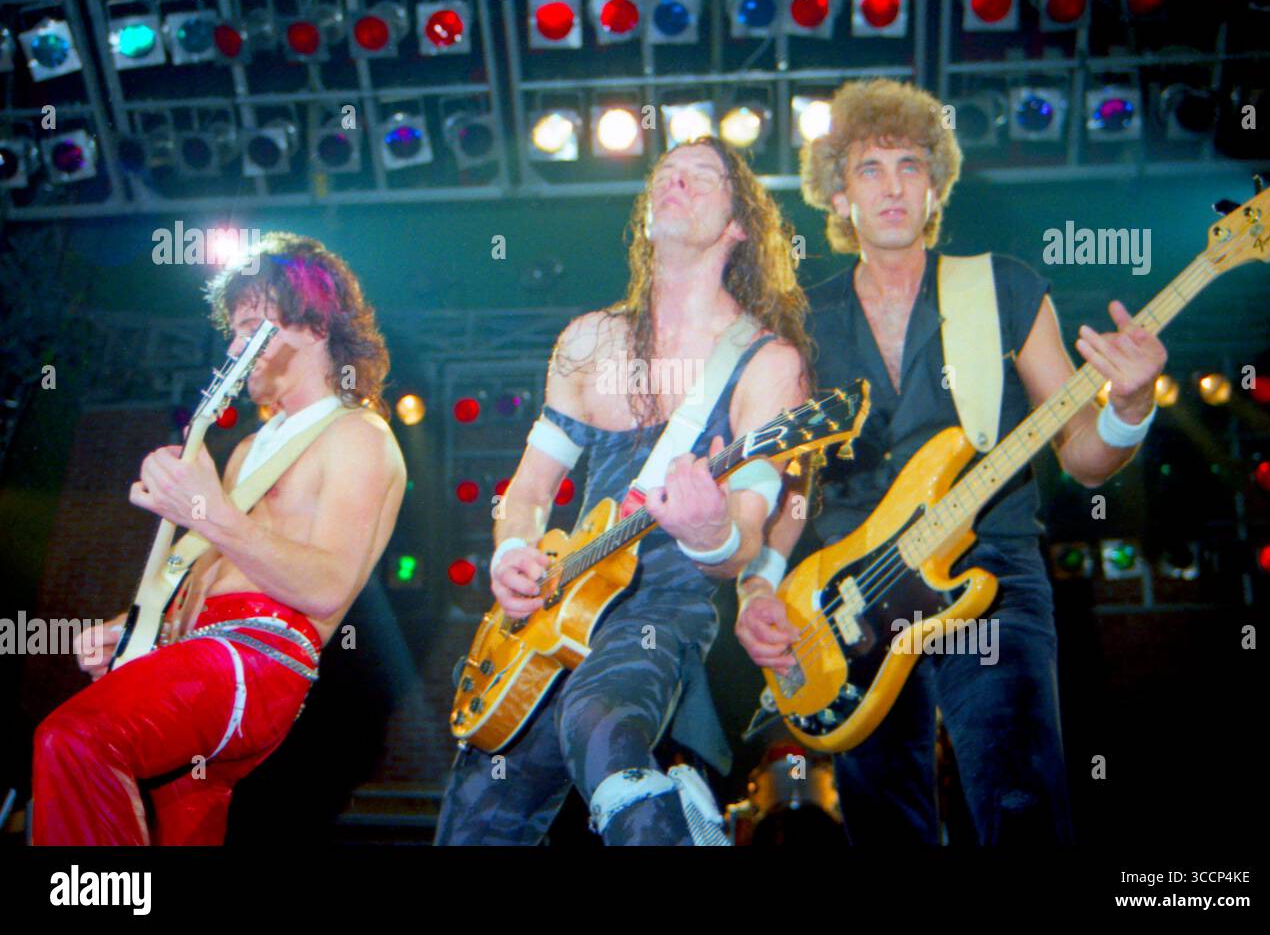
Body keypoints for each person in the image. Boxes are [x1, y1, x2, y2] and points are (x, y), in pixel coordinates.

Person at [733, 78, 1168, 844]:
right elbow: (790, 487)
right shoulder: (800, 319)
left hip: (990, 571)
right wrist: (755, 587)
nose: (893, 185)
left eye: (909, 165)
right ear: (838, 196)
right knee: (888, 827)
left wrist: (1129, 409)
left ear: (935, 186)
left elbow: (1084, 455)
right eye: (869, 169)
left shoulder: (1001, 287)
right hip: (848, 597)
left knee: (1021, 807)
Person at [435, 137, 812, 846]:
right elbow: (528, 489)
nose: (677, 180)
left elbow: (748, 541)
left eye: (703, 177)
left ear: (739, 226)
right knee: (476, 818)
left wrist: (711, 531)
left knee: (598, 719)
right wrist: (513, 548)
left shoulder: (770, 363)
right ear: (644, 218)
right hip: (559, 610)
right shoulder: (587, 341)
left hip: (665, 605)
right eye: (667, 173)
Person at [32, 233, 407, 845]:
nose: (234, 347)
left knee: (73, 739)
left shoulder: (358, 435)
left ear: (314, 325)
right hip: (200, 648)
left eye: (252, 325)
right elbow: (215, 570)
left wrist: (203, 511)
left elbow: (328, 583)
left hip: (259, 654)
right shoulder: (248, 451)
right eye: (232, 331)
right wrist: (138, 630)